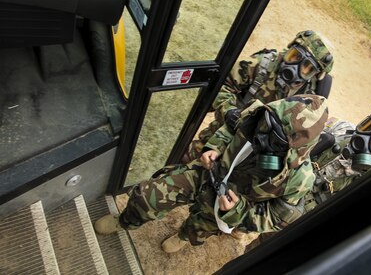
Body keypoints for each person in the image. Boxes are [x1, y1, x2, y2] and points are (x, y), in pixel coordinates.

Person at [94, 94, 329, 253]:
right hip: (207, 173)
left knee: (198, 229)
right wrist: (214, 147)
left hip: (227, 208)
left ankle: (183, 237)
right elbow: (229, 129)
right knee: (147, 196)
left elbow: (276, 219)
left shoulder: (300, 179)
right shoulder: (256, 113)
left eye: (275, 137)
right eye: (267, 124)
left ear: (297, 146)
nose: (264, 134)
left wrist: (237, 211)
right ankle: (124, 221)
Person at [245, 102, 371, 252]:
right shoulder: (339, 129)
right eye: (368, 127)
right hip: (281, 201)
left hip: (300, 232)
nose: (364, 139)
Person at [182, 30, 334, 163]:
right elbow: (221, 87)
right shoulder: (261, 65)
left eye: (308, 68)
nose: (296, 67)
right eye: (295, 56)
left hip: (253, 155)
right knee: (183, 164)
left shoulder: (307, 97)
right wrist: (229, 111)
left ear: (315, 76)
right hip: (223, 133)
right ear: (289, 49)